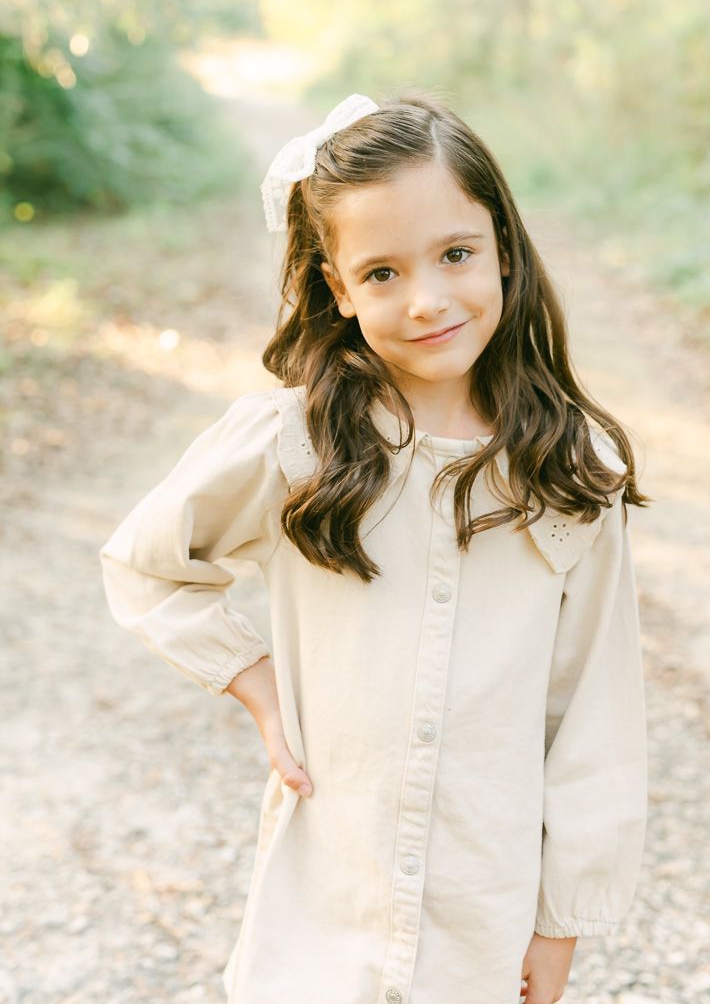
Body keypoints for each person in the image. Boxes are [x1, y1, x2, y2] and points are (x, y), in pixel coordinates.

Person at [99, 90, 651, 1004]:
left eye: (456, 254)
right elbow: (145, 565)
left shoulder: (568, 470)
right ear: (338, 288)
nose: (427, 300)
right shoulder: (296, 444)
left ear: (503, 247)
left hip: (480, 914)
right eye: (383, 272)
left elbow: (596, 709)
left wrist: (560, 921)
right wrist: (257, 685)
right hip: (320, 909)